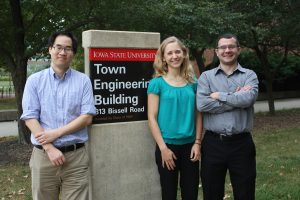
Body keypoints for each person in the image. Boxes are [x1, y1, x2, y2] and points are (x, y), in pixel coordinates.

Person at [21, 31, 96, 200]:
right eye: (58, 47)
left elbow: (87, 117)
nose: (63, 52)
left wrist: (55, 134)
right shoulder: (35, 80)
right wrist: (49, 147)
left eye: (68, 49)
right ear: (50, 49)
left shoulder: (83, 81)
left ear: (73, 53)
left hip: (76, 159)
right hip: (44, 157)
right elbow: (30, 117)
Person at [197, 33, 259, 200]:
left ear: (238, 50)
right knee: (211, 193)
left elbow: (248, 98)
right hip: (213, 144)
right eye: (223, 47)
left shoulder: (249, 75)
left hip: (242, 144)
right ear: (216, 51)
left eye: (231, 47)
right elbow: (202, 105)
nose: (227, 50)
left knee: (245, 193)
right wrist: (235, 97)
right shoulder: (206, 77)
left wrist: (220, 95)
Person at [147, 36, 203, 200]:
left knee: (191, 193)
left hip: (190, 147)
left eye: (178, 51)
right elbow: (151, 117)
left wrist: (198, 143)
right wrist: (163, 149)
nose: (174, 56)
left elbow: (199, 114)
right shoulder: (157, 83)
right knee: (169, 194)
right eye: (169, 53)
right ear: (163, 57)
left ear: (184, 53)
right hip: (167, 147)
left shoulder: (193, 82)